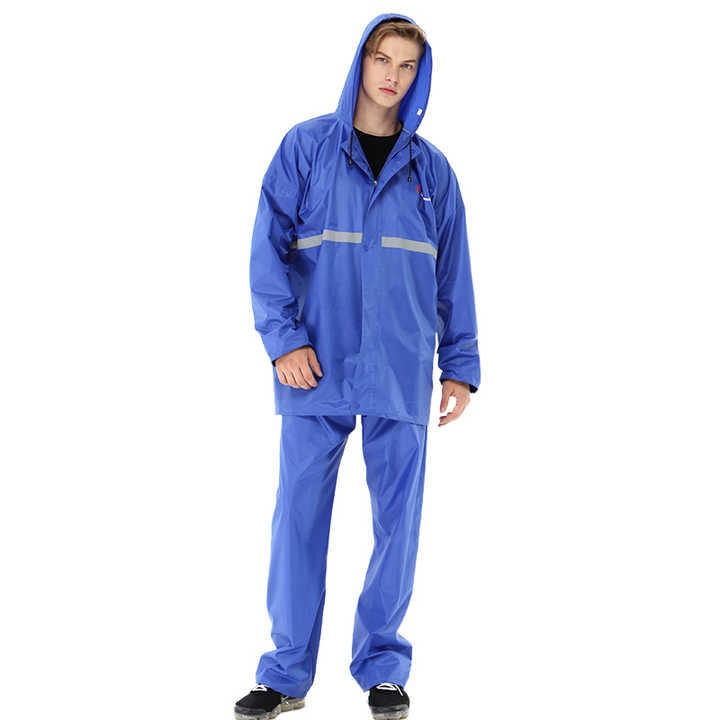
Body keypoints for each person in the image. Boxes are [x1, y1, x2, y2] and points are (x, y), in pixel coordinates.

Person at [236, 13, 481, 720]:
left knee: (397, 525)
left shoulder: (433, 173)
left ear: (419, 78)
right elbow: (266, 249)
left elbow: (454, 276)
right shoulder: (306, 147)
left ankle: (383, 668)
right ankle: (285, 674)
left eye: (407, 65)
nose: (392, 75)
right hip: (315, 365)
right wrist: (283, 340)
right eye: (382, 58)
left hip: (401, 367)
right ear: (361, 61)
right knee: (298, 521)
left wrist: (459, 364)